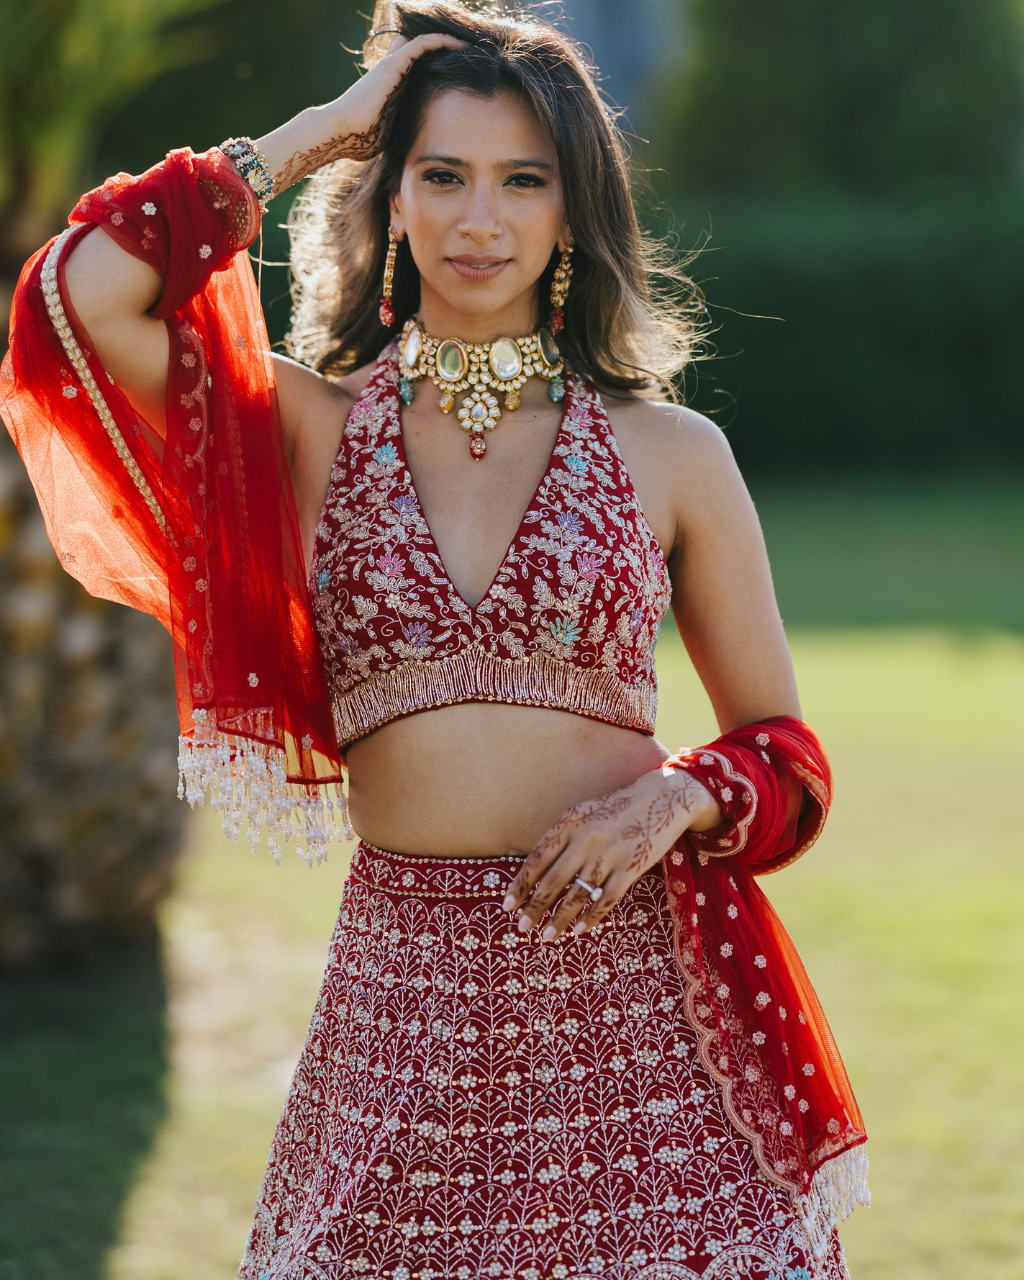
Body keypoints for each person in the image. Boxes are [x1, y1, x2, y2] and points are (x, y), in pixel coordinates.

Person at [1, 2, 869, 1277]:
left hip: (634, 1013)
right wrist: (325, 128)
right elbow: (74, 302)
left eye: (525, 181)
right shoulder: (303, 430)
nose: (480, 220)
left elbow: (787, 765)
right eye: (441, 174)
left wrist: (679, 796)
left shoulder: (673, 455)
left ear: (574, 210)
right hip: (399, 1002)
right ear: (389, 197)